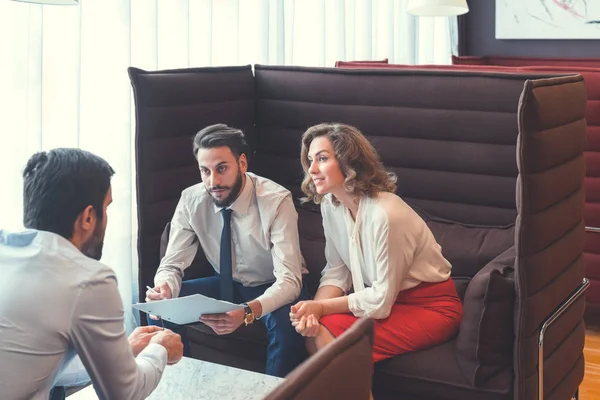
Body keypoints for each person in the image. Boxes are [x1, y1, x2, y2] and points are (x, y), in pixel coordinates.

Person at [0, 148, 183, 400]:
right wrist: (159, 349)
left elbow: (31, 364)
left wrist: (122, 353)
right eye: (106, 208)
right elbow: (125, 394)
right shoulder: (88, 279)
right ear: (88, 217)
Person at [290, 123, 463, 364]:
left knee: (325, 334)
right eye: (310, 160)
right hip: (386, 301)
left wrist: (321, 310)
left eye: (322, 158)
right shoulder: (330, 204)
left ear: (348, 161)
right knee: (314, 332)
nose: (313, 169)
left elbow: (381, 301)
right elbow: (337, 272)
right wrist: (312, 313)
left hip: (430, 308)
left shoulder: (385, 213)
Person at [145, 124, 308, 377]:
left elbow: (290, 281)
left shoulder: (276, 200)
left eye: (222, 168)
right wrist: (165, 287)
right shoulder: (191, 199)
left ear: (242, 163)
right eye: (205, 171)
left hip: (275, 285)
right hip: (227, 284)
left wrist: (246, 312)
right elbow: (171, 264)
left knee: (287, 331)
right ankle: (180, 386)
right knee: (160, 310)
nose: (213, 181)